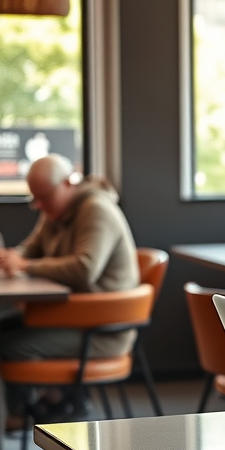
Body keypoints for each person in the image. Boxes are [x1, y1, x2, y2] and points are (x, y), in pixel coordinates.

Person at [0, 154, 139, 431]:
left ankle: (52, 403)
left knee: (6, 344)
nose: (39, 205)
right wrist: (13, 258)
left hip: (101, 330)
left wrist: (25, 265)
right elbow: (32, 247)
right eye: (35, 199)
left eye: (44, 197)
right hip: (72, 317)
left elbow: (84, 268)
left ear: (67, 183)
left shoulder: (96, 209)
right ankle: (39, 404)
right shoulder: (55, 210)